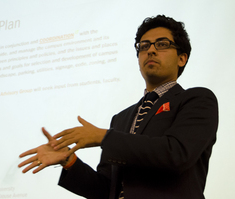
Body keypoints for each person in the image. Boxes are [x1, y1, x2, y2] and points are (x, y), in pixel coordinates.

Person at [18, 15, 218, 199]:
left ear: (182, 58)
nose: (151, 50)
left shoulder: (198, 99)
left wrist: (103, 137)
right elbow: (107, 190)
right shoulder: (121, 118)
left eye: (162, 44)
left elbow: (177, 153)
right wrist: (70, 162)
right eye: (144, 46)